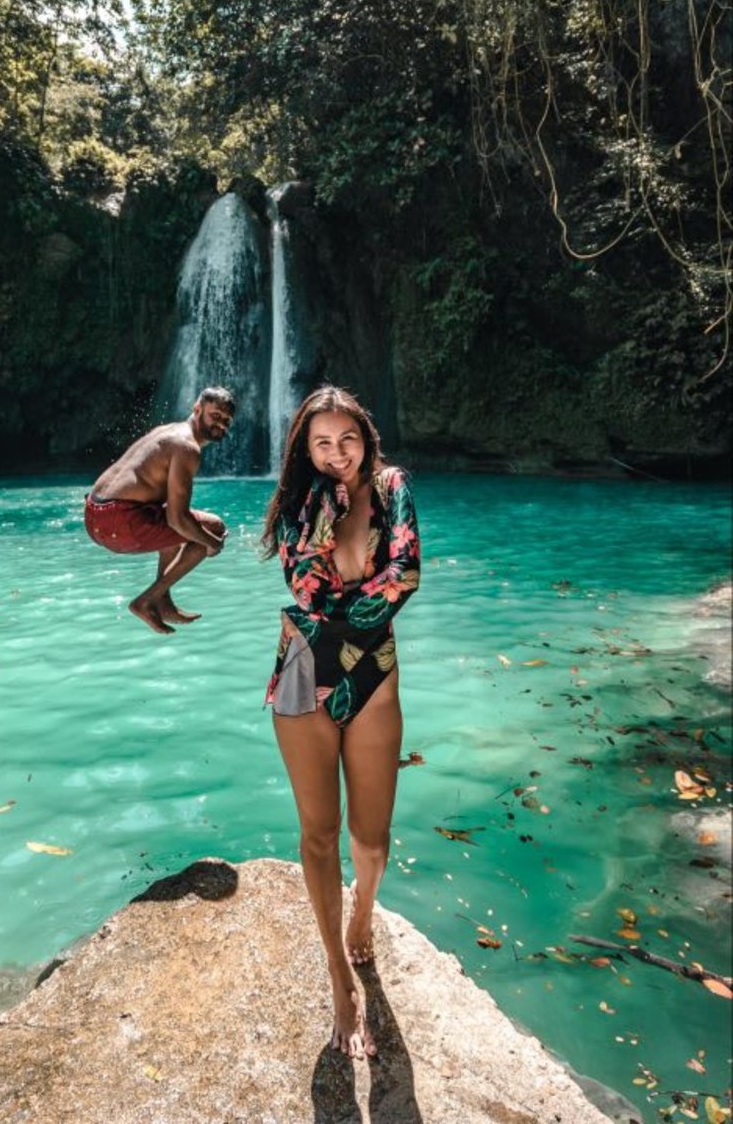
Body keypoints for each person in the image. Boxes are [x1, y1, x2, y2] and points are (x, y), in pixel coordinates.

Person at [260, 385, 420, 1060]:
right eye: (321, 444)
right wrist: (328, 506)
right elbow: (306, 589)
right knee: (318, 835)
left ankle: (363, 910)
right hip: (302, 670)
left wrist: (352, 603)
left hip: (371, 673)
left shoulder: (392, 489)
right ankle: (337, 974)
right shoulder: (302, 503)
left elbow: (404, 573)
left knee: (371, 838)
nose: (335, 454)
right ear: (306, 448)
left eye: (346, 440)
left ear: (366, 438)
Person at [84, 387, 235, 634]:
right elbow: (178, 519)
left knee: (174, 521)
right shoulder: (187, 447)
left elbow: (171, 516)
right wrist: (213, 543)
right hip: (118, 522)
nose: (221, 424)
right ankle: (147, 600)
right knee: (213, 528)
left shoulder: (167, 432)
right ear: (197, 409)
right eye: (215, 415)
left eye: (226, 421)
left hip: (94, 516)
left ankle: (163, 601)